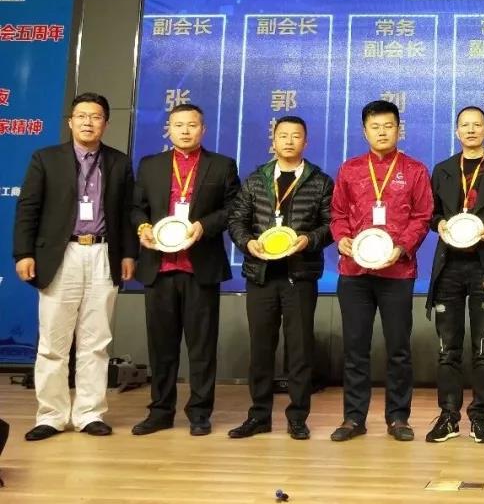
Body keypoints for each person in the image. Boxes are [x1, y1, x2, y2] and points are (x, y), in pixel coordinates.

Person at [14, 93, 136, 440]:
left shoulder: (119, 162)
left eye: (95, 117)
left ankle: (89, 413)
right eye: (81, 116)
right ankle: (51, 415)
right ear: (70, 122)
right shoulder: (46, 159)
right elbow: (28, 208)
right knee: (54, 341)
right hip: (60, 254)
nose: (87, 122)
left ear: (105, 124)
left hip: (102, 253)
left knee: (96, 341)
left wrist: (128, 254)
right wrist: (24, 252)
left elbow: (127, 213)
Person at [130, 103, 240, 436]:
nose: (185, 131)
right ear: (169, 129)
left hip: (200, 268)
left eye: (192, 125)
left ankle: (200, 413)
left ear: (202, 129)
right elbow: (136, 207)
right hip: (159, 268)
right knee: (161, 347)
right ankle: (160, 411)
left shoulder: (221, 165)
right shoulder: (150, 165)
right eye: (178, 125)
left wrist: (204, 226)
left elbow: (233, 208)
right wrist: (143, 228)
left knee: (201, 347)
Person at [329, 100, 433, 443]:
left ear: (399, 129)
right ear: (364, 131)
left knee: (398, 348)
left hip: (397, 272)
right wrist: (342, 239)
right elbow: (337, 214)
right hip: (354, 271)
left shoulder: (415, 170)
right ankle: (353, 417)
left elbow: (422, 216)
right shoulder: (349, 169)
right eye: (375, 127)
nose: (382, 132)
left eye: (389, 126)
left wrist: (401, 247)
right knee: (355, 347)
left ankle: (398, 417)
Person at [225, 116, 334, 440]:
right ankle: (259, 415)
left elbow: (331, 224)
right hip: (260, 275)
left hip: (299, 276)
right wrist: (247, 243)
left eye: (295, 136)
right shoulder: (255, 179)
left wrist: (309, 240)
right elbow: (236, 220)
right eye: (282, 135)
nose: (288, 141)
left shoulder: (320, 181)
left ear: (306, 142)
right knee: (261, 349)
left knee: (299, 350)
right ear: (272, 140)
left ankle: (298, 417)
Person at [426, 106, 484, 444]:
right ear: (457, 131)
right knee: (447, 348)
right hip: (449, 265)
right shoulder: (443, 169)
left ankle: (479, 418)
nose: (471, 130)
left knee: (483, 348)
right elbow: (430, 213)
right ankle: (448, 417)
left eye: (477, 125)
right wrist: (439, 223)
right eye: (465, 125)